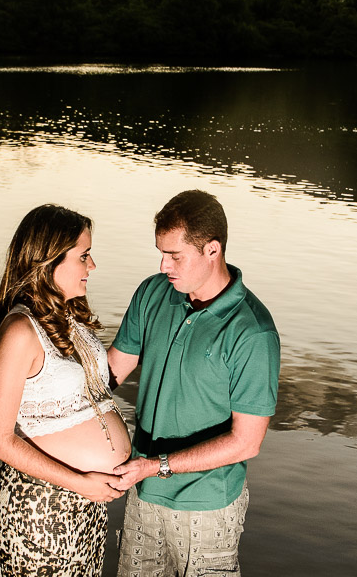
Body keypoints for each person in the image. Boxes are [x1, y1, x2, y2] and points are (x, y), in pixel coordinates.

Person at [107, 190, 280, 577]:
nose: (163, 265)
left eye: (175, 255)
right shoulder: (153, 292)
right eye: (161, 252)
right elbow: (110, 374)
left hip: (208, 512)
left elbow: (246, 442)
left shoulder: (252, 332)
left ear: (212, 250)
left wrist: (154, 467)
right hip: (143, 495)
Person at [0, 204, 131, 576]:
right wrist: (81, 482)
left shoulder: (71, 317)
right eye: (83, 256)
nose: (92, 266)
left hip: (86, 502)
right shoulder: (20, 331)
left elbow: (96, 387)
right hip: (40, 505)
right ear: (49, 261)